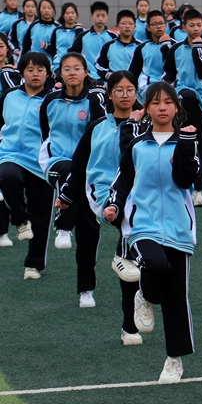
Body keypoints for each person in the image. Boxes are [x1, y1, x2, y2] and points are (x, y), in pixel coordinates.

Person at [105, 81, 200, 384]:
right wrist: (113, 206)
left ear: (176, 108)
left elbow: (187, 180)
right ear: (145, 108)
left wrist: (185, 146)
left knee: (177, 297)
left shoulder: (188, 141)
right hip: (142, 224)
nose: (162, 108)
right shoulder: (137, 145)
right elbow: (122, 181)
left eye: (168, 102)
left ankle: (174, 360)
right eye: (155, 103)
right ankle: (144, 295)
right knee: (154, 263)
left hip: (179, 228)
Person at [58, 71, 143, 320]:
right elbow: (79, 164)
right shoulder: (96, 126)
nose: (125, 95)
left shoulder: (143, 126)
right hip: (97, 192)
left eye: (130, 90)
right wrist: (67, 196)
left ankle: (138, 291)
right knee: (86, 238)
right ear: (109, 94)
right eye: (119, 90)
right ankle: (86, 289)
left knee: (138, 236)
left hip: (134, 192)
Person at [39, 52, 105, 251]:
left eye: (77, 68)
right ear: (60, 74)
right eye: (67, 69)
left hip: (87, 163)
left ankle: (88, 268)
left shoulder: (94, 100)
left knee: (88, 219)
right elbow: (45, 131)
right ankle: (63, 226)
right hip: (55, 159)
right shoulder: (50, 100)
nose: (72, 73)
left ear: (86, 72)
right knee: (70, 170)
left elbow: (99, 134)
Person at [0, 53, 53, 278]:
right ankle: (20, 219)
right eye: (30, 70)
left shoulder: (53, 100)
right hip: (10, 155)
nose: (35, 74)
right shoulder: (9, 95)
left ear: (48, 74)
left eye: (40, 70)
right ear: (22, 73)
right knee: (8, 177)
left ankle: (33, 265)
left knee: (41, 215)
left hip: (41, 163)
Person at [162, 9, 202, 205]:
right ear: (183, 27)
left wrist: (197, 49)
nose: (196, 29)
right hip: (182, 100)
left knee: (201, 145)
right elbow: (168, 75)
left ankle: (198, 190)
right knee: (179, 141)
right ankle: (176, 185)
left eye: (199, 25)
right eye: (191, 25)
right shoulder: (175, 49)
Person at [128, 11, 172, 100]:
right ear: (148, 27)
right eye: (154, 24)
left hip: (170, 85)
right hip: (148, 86)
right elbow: (134, 72)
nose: (158, 26)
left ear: (166, 25)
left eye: (161, 23)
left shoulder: (174, 46)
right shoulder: (141, 48)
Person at [69, 1, 114, 84]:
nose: (100, 18)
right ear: (92, 16)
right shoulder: (83, 36)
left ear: (107, 16)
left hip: (107, 77)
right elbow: (72, 54)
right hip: (87, 77)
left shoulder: (113, 37)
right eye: (97, 15)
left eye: (103, 16)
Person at [96, 10, 140, 81]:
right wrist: (107, 75)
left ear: (134, 26)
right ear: (117, 26)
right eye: (123, 23)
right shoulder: (108, 46)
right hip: (114, 85)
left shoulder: (140, 47)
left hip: (134, 85)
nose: (127, 26)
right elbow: (99, 64)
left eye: (130, 23)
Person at [47, 2, 84, 69]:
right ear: (63, 15)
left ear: (76, 14)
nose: (70, 16)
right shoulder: (57, 31)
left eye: (72, 13)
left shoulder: (81, 31)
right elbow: (52, 49)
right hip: (58, 64)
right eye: (67, 13)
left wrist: (79, 31)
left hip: (76, 64)